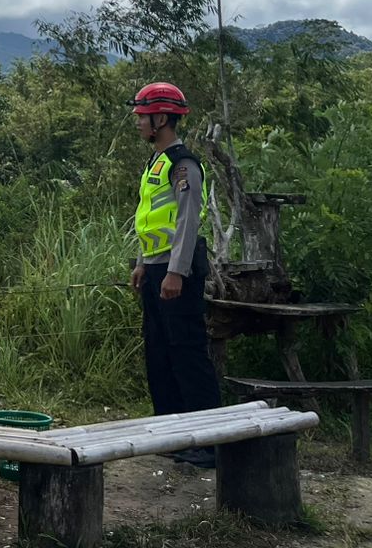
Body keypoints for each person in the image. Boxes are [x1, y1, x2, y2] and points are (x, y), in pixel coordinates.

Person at [128, 81, 221, 467]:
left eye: (143, 117)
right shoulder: (156, 162)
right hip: (153, 268)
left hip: (175, 270)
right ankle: (171, 432)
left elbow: (186, 221)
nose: (139, 123)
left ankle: (209, 440)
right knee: (159, 353)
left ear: (162, 118)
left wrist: (176, 272)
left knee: (187, 352)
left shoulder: (184, 165)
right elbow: (149, 219)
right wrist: (140, 263)